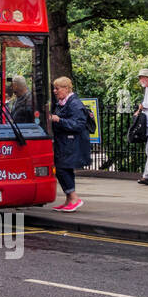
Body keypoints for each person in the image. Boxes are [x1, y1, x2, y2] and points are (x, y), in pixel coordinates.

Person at [49, 76, 91, 211]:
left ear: (66, 88)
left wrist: (58, 120)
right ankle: (69, 200)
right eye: (54, 88)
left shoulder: (75, 104)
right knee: (64, 169)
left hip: (72, 143)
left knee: (61, 168)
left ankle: (74, 198)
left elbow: (78, 124)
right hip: (65, 143)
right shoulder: (62, 103)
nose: (55, 91)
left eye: (57, 88)